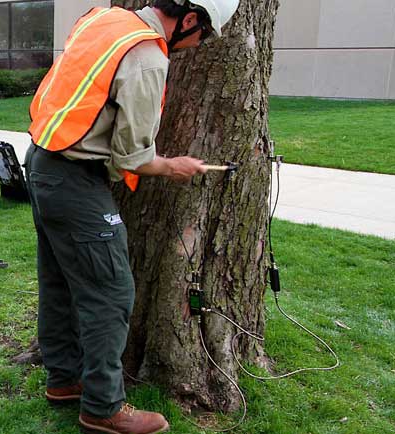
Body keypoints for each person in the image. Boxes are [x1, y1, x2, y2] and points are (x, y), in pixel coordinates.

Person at [25, 1, 240, 433]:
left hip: (42, 160)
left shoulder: (106, 20)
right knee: (111, 292)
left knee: (60, 280)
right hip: (74, 177)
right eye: (205, 33)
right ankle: (103, 408)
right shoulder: (146, 54)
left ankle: (64, 379)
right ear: (191, 18)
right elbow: (133, 157)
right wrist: (174, 166)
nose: (200, 44)